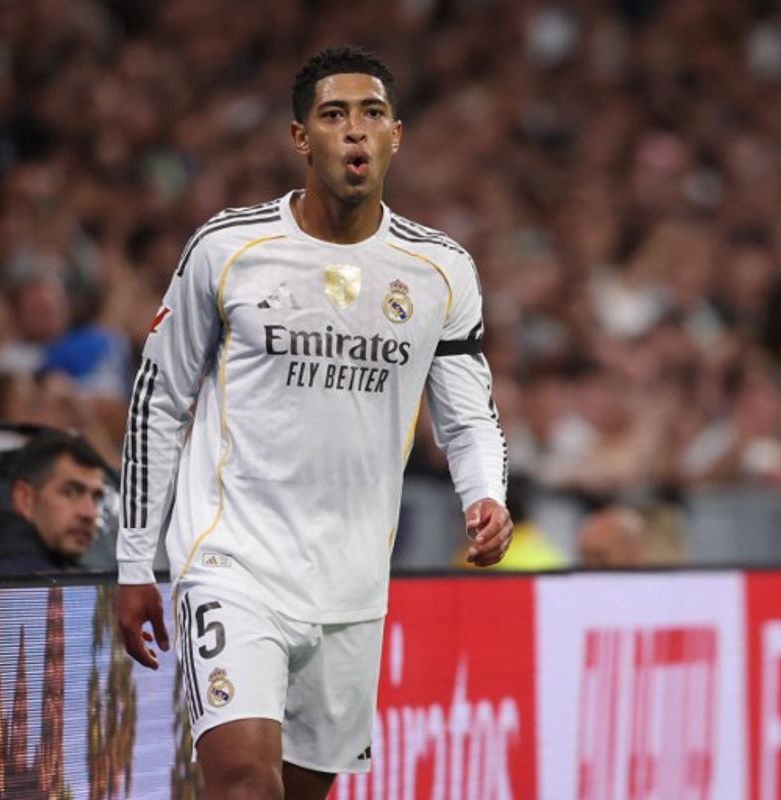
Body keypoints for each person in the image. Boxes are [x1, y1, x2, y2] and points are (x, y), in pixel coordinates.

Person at [115, 47, 512, 800]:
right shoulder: (229, 249)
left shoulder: (440, 270)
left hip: (351, 583)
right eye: (334, 115)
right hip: (232, 559)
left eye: (372, 114)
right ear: (301, 137)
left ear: (397, 135)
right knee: (245, 784)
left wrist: (485, 494)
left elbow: (468, 415)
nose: (355, 131)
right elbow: (158, 400)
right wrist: (135, 561)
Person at [0, 430, 107, 573]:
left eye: (96, 498)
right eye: (70, 492)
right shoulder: (44, 590)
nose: (90, 513)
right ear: (25, 499)